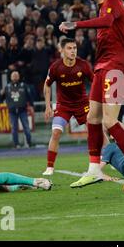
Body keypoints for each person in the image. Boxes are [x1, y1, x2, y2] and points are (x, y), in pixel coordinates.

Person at [59, 0, 124, 193]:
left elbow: (106, 22)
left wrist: (74, 25)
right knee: (92, 118)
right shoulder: (110, 6)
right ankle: (94, 169)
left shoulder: (113, 1)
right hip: (102, 66)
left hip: (114, 67)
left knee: (109, 120)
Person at [42, 38, 93, 176]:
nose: (73, 51)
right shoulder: (55, 67)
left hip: (82, 104)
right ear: (62, 50)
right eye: (69, 48)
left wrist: (95, 103)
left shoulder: (83, 65)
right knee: (56, 132)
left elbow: (95, 83)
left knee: (95, 131)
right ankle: (50, 167)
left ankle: (103, 160)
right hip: (63, 105)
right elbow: (47, 85)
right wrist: (48, 106)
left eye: (75, 48)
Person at [1, 70, 34, 149]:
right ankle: (16, 144)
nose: (15, 77)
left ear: (19, 77)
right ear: (11, 77)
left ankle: (29, 143)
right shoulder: (7, 87)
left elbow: (29, 97)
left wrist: (31, 106)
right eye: (13, 75)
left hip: (22, 110)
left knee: (26, 127)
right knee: (14, 128)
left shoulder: (23, 85)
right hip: (12, 111)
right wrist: (1, 93)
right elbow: (2, 98)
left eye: (16, 75)